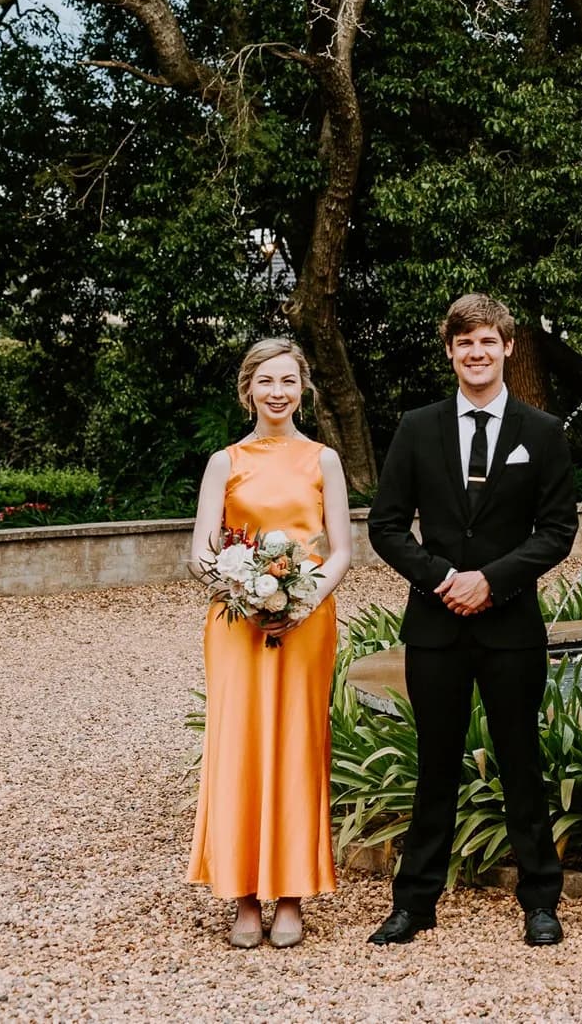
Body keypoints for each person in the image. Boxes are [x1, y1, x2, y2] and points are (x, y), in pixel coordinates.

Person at [365, 294, 579, 947]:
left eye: (487, 341)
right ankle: (415, 902)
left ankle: (541, 900)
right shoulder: (417, 426)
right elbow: (385, 524)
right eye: (465, 343)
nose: (477, 352)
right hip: (435, 626)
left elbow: (559, 530)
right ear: (451, 351)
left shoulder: (542, 433)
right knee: (434, 763)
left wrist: (492, 579)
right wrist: (439, 577)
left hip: (510, 626)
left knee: (521, 761)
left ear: (508, 347)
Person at [188, 338, 352, 948]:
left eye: (289, 381)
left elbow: (341, 551)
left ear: (303, 389)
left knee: (296, 743)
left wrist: (300, 601)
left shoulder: (324, 460)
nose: (278, 392)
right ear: (248, 389)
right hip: (236, 624)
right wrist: (242, 593)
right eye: (267, 381)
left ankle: (290, 893)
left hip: (307, 621)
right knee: (241, 743)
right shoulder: (224, 462)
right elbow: (200, 550)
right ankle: (240, 895)